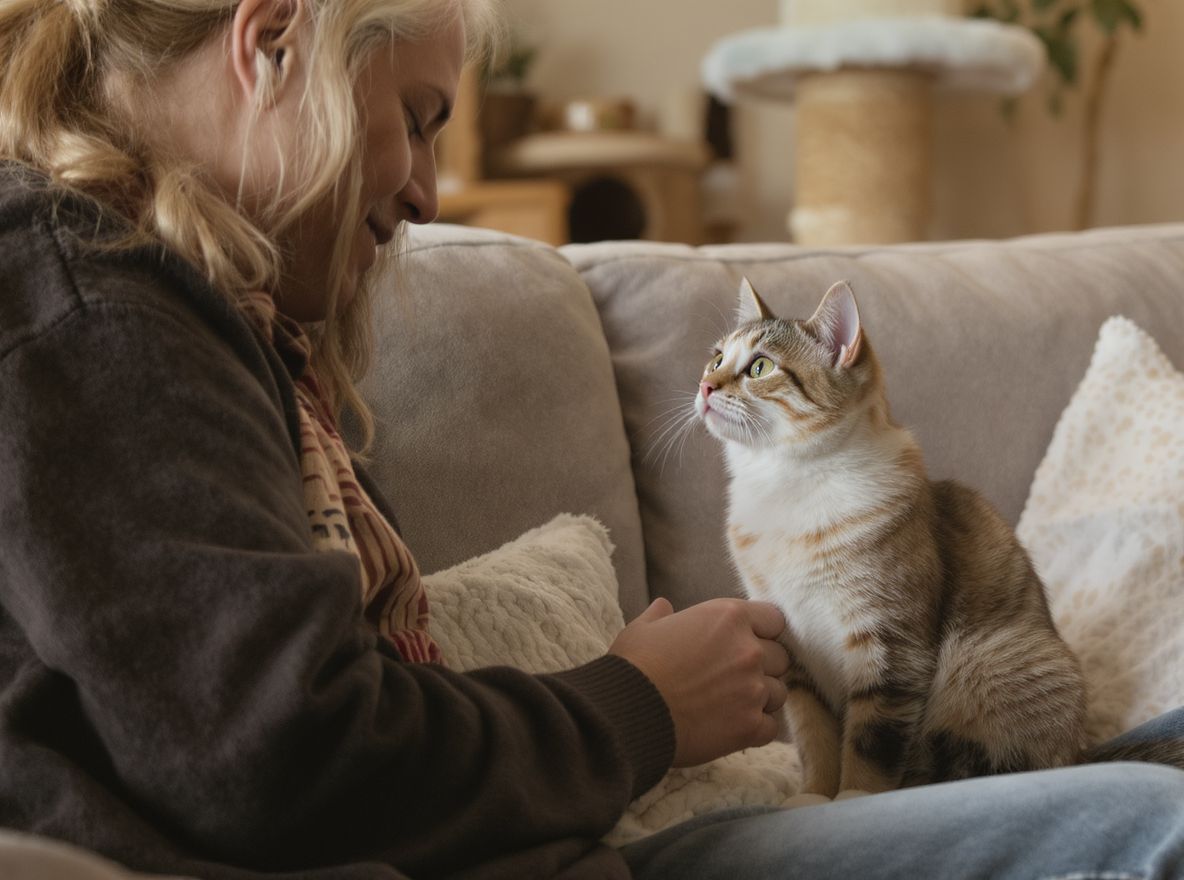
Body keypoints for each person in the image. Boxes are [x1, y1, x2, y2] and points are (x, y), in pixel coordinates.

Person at [0, 1, 1180, 879]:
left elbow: (320, 707)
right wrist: (634, 703)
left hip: (553, 846)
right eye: (416, 120)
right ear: (271, 46)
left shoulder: (221, 326)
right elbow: (284, 756)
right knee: (1145, 826)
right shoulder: (93, 311)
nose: (426, 195)